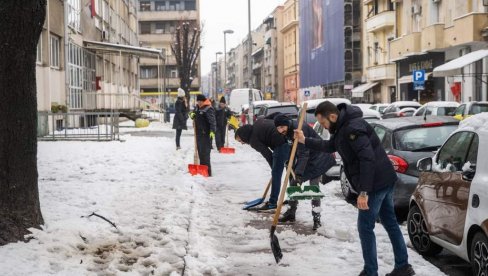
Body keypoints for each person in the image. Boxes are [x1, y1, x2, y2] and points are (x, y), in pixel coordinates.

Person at [294, 102, 415, 276]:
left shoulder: (352, 129)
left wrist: (364, 192)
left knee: (365, 227)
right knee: (390, 223)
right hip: (383, 179)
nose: (323, 126)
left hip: (375, 184)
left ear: (333, 116)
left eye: (323, 123)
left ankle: (370, 271)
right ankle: (403, 266)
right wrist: (305, 140)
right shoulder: (342, 126)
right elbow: (330, 146)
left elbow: (367, 159)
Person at [273, 113, 336, 231]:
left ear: (287, 124)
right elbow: (292, 147)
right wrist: (288, 161)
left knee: (313, 188)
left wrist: (299, 174)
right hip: (307, 159)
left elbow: (303, 153)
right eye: (278, 128)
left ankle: (316, 218)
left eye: (282, 127)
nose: (280, 130)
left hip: (318, 158)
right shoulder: (288, 131)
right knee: (293, 183)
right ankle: (291, 213)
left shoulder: (298, 130)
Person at [235, 119, 289, 211]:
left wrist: (274, 169)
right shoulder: (258, 123)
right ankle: (290, 199)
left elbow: (267, 154)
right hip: (288, 139)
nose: (242, 143)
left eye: (241, 140)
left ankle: (272, 203)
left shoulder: (253, 140)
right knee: (290, 172)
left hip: (281, 145)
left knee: (276, 175)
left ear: (244, 136)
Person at [190, 94, 216, 176]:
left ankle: (208, 172)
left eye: (200, 101)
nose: (199, 103)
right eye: (198, 101)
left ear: (204, 101)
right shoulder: (197, 107)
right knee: (200, 153)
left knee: (205, 154)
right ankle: (202, 171)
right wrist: (192, 115)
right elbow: (193, 114)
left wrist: (212, 131)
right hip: (199, 134)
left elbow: (212, 121)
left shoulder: (208, 108)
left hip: (206, 135)